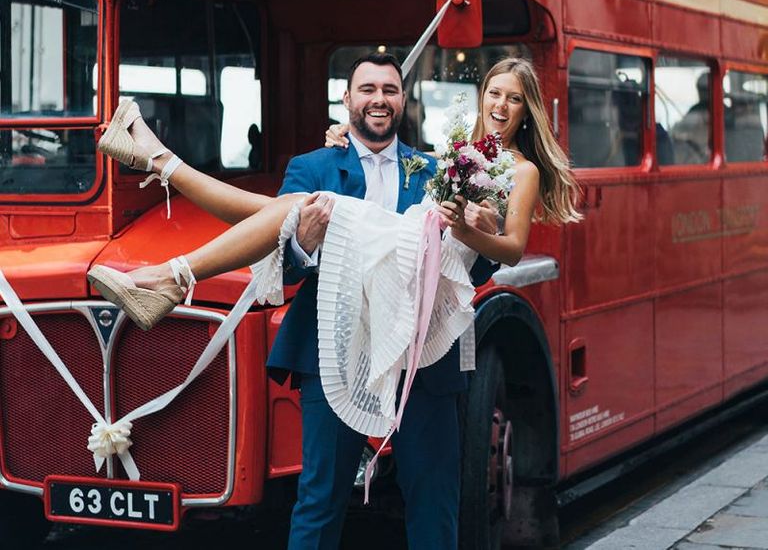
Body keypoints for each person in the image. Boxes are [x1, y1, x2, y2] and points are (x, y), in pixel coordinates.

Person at [88, 53, 580, 548]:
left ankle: (166, 213)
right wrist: (303, 239)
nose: (379, 99)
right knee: (320, 499)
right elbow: (287, 260)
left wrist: (478, 230)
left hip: (421, 353)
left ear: (403, 101)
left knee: (434, 501)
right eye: (367, 89)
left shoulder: (436, 166)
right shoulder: (316, 164)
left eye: (389, 89)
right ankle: (166, 218)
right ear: (346, 100)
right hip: (335, 348)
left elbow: (474, 266)